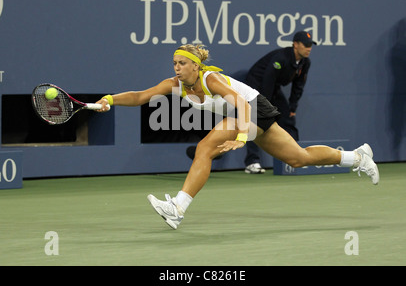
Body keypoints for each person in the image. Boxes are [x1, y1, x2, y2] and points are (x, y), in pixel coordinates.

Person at [96, 44, 380, 230]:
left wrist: (242, 137)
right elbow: (140, 96)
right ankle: (357, 157)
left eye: (183, 63)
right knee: (299, 157)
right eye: (174, 63)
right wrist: (110, 99)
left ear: (196, 66)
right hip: (246, 115)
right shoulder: (175, 84)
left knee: (205, 148)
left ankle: (178, 207)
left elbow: (243, 105)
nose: (177, 68)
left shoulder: (211, 80)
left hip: (256, 108)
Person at [244, 31, 315, 174]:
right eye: (306, 45)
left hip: (272, 87)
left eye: (310, 45)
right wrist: (265, 107)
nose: (309, 48)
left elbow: (298, 86)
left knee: (288, 118)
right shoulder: (280, 58)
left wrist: (292, 107)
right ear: (295, 45)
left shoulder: (305, 63)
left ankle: (297, 158)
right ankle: (252, 162)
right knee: (255, 122)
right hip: (255, 85)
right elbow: (267, 80)